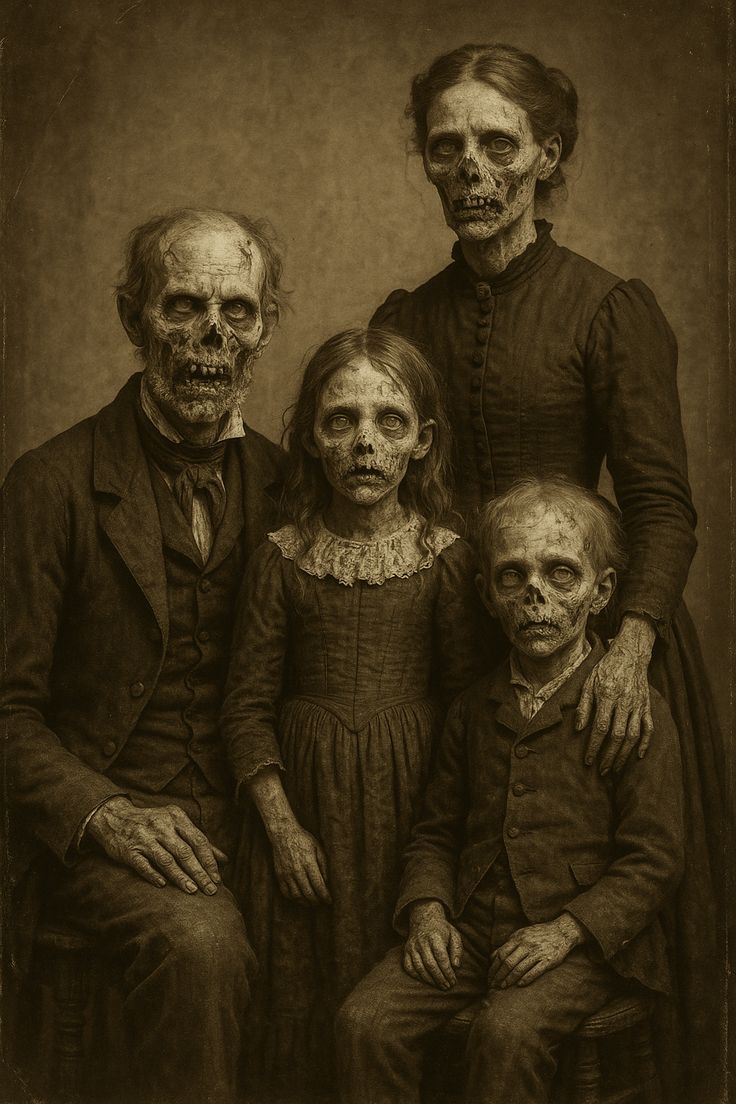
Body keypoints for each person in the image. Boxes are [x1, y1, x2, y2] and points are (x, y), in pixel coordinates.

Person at [369, 43, 725, 1101]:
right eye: (446, 147)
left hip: (594, 633)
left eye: (497, 144)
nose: (471, 171)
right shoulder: (405, 321)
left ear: (547, 155)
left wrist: (631, 645)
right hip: (451, 645)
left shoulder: (609, 309)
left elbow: (660, 506)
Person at [1, 207, 286, 1104]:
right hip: (104, 832)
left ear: (266, 328)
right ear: (134, 318)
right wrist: (108, 814)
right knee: (203, 948)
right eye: (183, 306)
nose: (210, 338)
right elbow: (8, 712)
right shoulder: (48, 485)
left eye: (237, 311)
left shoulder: (287, 481)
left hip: (246, 817)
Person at [337, 476, 685, 1104]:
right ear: (486, 596)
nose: (534, 597)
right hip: (474, 932)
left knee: (506, 1033)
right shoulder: (473, 708)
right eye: (511, 577)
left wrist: (566, 932)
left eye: (561, 574)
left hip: (585, 945)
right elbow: (436, 833)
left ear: (602, 591)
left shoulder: (634, 711)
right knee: (365, 1022)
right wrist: (428, 911)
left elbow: (653, 860)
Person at [220, 327, 493, 1093]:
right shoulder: (281, 558)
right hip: (302, 816)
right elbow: (244, 708)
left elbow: (470, 716)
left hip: (412, 815)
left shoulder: (445, 559)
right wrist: (282, 831)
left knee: (388, 1012)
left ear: (422, 442)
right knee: (298, 1011)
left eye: (389, 422)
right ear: (311, 438)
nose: (365, 444)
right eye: (340, 421)